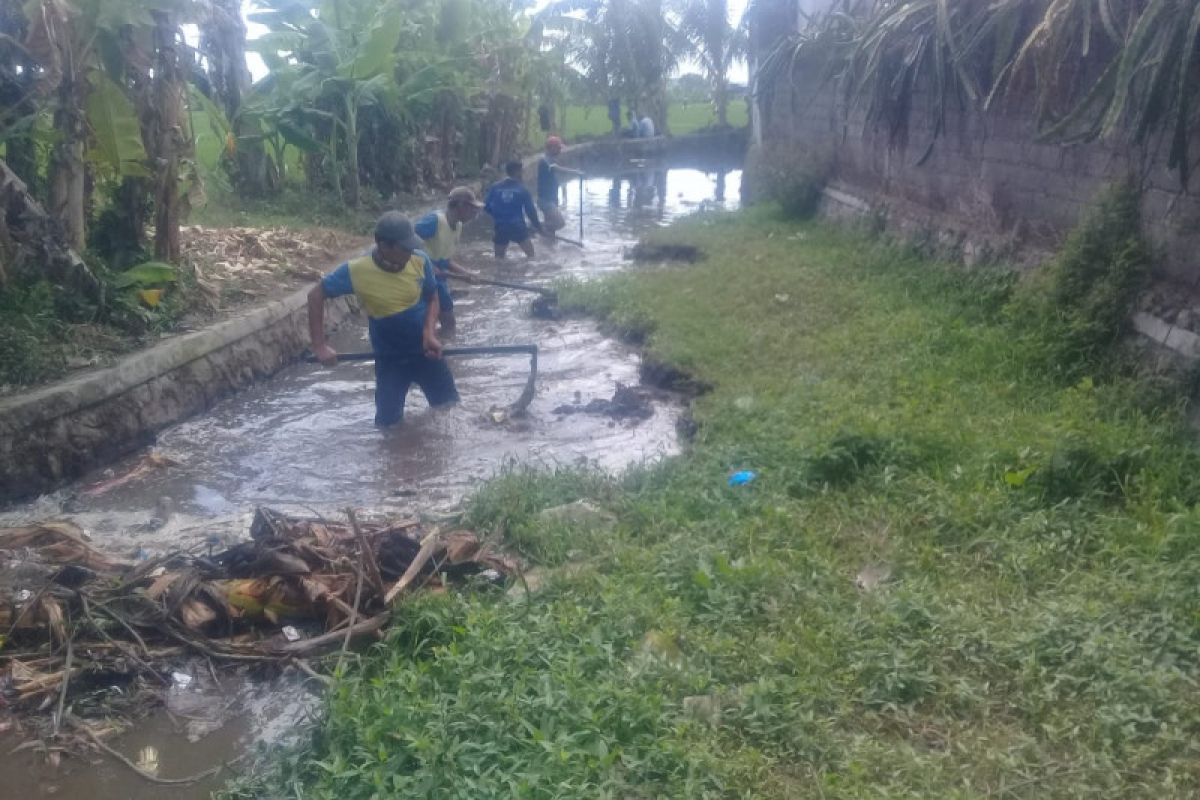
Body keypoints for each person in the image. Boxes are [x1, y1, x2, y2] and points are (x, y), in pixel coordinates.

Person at [308, 212, 456, 427]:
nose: (410, 252)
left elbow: (432, 297)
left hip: (427, 352)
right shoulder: (357, 270)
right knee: (388, 426)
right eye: (404, 248)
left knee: (449, 410)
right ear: (384, 246)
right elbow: (315, 295)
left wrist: (429, 333)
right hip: (390, 358)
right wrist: (320, 346)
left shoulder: (419, 259)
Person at [413, 186, 483, 333]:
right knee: (424, 323)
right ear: (460, 206)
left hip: (439, 277)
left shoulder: (457, 226)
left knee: (449, 323)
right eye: (472, 208)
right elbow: (408, 241)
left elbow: (444, 259)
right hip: (419, 276)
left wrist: (466, 273)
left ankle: (445, 349)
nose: (475, 213)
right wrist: (428, 266)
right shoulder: (434, 221)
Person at [484, 160, 543, 259]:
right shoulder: (522, 189)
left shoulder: (495, 187)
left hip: (500, 227)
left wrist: (498, 216)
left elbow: (486, 206)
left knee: (498, 259)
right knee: (532, 257)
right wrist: (538, 226)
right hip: (518, 226)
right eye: (522, 171)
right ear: (517, 172)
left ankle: (499, 274)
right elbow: (531, 211)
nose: (523, 173)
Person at [537, 136, 584, 238]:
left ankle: (548, 247)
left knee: (551, 232)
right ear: (552, 148)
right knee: (560, 223)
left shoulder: (551, 159)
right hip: (546, 200)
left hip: (552, 199)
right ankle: (535, 226)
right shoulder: (544, 160)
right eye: (558, 148)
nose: (560, 150)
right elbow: (555, 168)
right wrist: (575, 172)